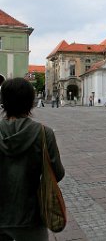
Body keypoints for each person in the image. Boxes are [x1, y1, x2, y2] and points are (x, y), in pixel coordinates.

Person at [0, 78, 65, 241]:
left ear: (3, 102)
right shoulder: (44, 133)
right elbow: (57, 173)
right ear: (31, 102)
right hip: (32, 217)